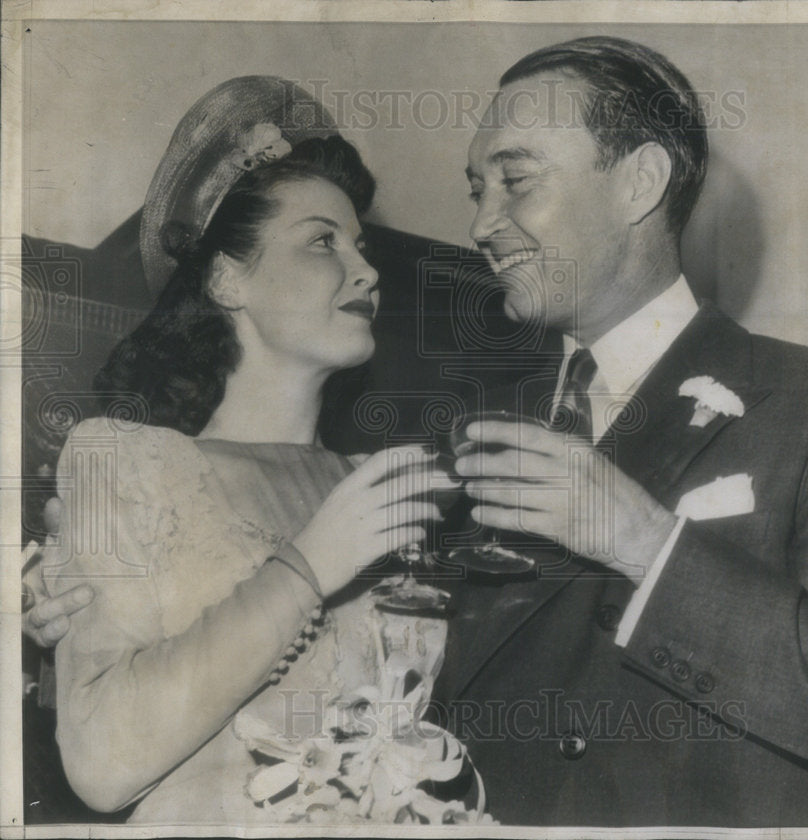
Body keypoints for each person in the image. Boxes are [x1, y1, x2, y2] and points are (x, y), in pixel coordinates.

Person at [439, 36, 808, 826]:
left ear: (640, 182)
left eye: (516, 181)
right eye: (476, 189)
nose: (485, 223)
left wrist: (645, 543)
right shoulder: (475, 429)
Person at [40, 76, 485, 825]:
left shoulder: (370, 485)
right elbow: (101, 762)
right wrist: (307, 568)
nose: (368, 271)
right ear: (225, 278)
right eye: (322, 241)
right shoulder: (125, 460)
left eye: (361, 246)